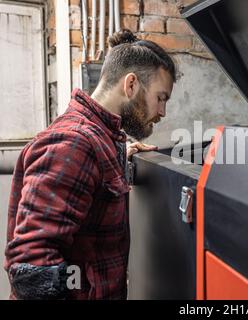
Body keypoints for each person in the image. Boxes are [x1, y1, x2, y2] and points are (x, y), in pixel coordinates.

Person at [4, 29, 176, 299]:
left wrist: (120, 156)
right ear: (131, 85)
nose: (162, 112)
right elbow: (32, 268)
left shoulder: (100, 141)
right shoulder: (76, 144)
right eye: (161, 98)